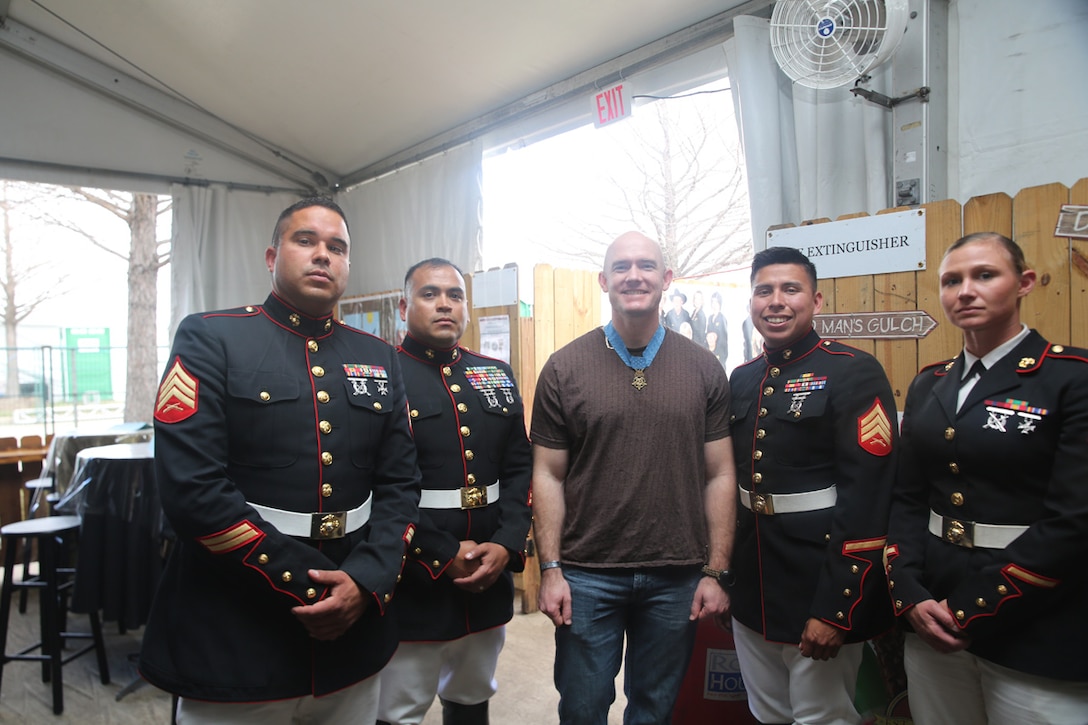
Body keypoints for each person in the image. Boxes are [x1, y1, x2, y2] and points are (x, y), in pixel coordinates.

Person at [140, 197, 421, 723]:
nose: (323, 255)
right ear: (271, 257)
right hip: (236, 632)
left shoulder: (379, 356)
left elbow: (401, 485)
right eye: (305, 240)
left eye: (337, 247)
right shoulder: (211, 337)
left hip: (355, 635)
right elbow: (192, 489)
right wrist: (310, 585)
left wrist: (365, 581)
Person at [531, 231, 736, 724]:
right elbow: (547, 475)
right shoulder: (563, 369)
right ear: (604, 281)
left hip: (677, 575)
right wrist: (550, 569)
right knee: (582, 709)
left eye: (646, 265)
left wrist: (715, 571)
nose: (634, 276)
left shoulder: (704, 368)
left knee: (654, 711)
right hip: (586, 575)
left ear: (667, 279)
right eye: (621, 267)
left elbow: (720, 474)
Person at [885, 232, 1088, 724]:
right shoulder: (929, 382)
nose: (966, 291)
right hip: (931, 614)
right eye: (951, 281)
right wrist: (909, 592)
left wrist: (967, 608)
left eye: (984, 275)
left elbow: (1074, 521)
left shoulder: (1071, 377)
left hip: (1037, 621)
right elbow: (908, 498)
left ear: (1025, 283)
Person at [729, 246, 897, 725]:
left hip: (818, 581)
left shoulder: (852, 370)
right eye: (764, 291)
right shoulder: (742, 378)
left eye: (790, 289)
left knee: (824, 716)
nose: (776, 301)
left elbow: (869, 496)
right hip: (753, 579)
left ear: (816, 300)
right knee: (767, 713)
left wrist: (836, 607)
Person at [377, 259, 532, 725]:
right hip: (414, 576)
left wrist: (507, 543)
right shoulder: (383, 375)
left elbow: (519, 468)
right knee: (399, 707)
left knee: (472, 696)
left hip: (489, 568)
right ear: (403, 307)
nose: (444, 304)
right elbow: (377, 486)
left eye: (455, 295)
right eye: (429, 294)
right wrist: (441, 553)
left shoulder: (495, 373)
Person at [706, 291, 728, 364]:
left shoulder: (722, 319)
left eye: (716, 302)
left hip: (719, 353)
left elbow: (723, 340)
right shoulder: (710, 318)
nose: (714, 304)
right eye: (713, 302)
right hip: (710, 352)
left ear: (720, 304)